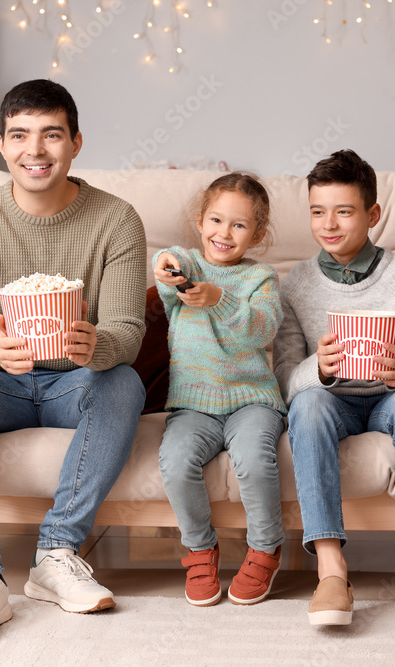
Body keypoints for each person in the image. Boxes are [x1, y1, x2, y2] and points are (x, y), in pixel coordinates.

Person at [0, 79, 147, 641]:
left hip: (75, 387)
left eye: (51, 135)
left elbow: (128, 330)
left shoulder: (116, 219)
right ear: (1, 144)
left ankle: (57, 554)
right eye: (20, 136)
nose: (35, 151)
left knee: (123, 382)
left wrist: (100, 345)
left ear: (76, 143)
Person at [273, 150, 395, 627]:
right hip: (333, 401)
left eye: (344, 211)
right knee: (307, 407)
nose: (328, 224)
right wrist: (320, 369)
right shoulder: (297, 286)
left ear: (372, 215)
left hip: (392, 396)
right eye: (317, 211)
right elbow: (286, 378)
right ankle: (331, 570)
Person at [154, 172, 286, 607]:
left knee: (253, 460)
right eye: (215, 220)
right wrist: (168, 262)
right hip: (192, 406)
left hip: (252, 401)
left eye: (239, 225)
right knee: (174, 461)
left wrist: (219, 299)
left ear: (258, 234)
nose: (223, 233)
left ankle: (265, 548)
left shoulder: (260, 279)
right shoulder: (188, 267)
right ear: (199, 221)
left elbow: (260, 330)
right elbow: (169, 266)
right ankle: (199, 547)